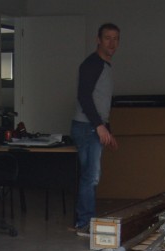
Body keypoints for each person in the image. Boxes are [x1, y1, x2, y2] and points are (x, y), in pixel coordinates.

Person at [70, 22, 120, 236]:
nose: (112, 43)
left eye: (116, 38)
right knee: (90, 177)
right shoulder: (92, 64)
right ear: (98, 40)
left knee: (90, 176)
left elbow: (99, 103)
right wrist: (99, 126)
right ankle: (84, 223)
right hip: (87, 128)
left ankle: (84, 220)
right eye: (107, 38)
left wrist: (106, 130)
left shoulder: (105, 65)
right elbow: (84, 96)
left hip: (94, 128)